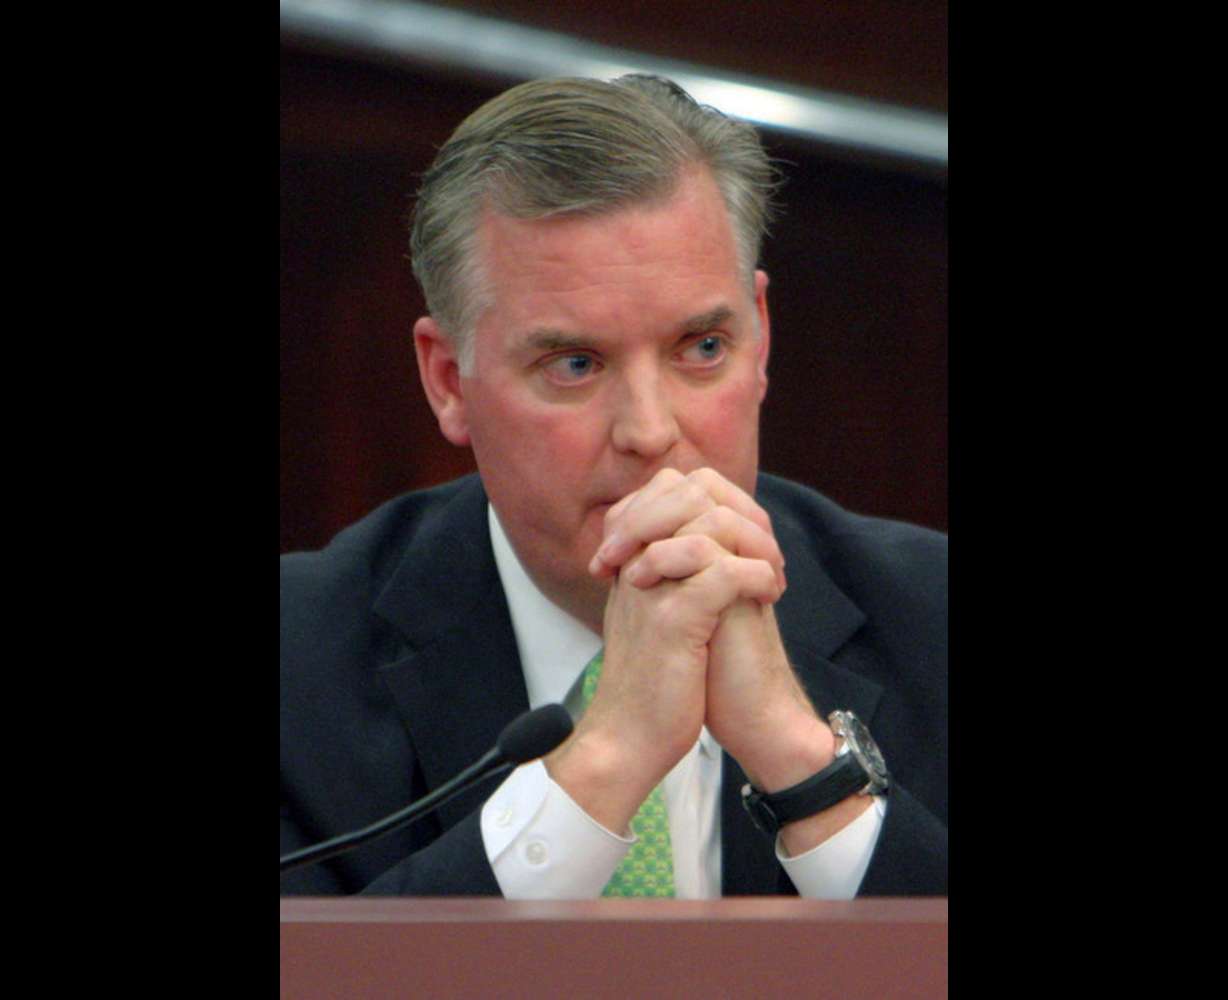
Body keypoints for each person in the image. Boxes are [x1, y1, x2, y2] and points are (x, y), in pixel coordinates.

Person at [279, 74, 947, 898]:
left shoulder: (932, 621)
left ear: (761, 336)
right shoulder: (296, 668)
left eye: (701, 347)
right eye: (574, 365)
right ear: (450, 380)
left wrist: (801, 762)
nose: (649, 432)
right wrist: (602, 765)